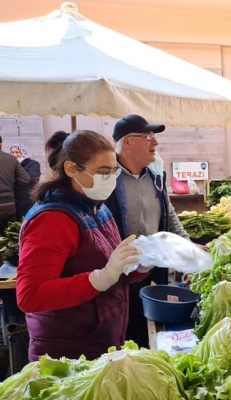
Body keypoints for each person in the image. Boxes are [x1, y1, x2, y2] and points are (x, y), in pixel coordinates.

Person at [16, 130, 146, 361]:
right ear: (71, 169)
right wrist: (101, 277)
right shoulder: (52, 219)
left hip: (103, 338)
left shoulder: (97, 207)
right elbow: (30, 295)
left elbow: (109, 265)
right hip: (67, 352)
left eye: (113, 171)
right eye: (103, 172)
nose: (110, 179)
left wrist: (139, 265)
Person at [105, 114, 189, 348]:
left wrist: (187, 245)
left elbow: (168, 214)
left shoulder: (154, 176)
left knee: (152, 330)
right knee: (127, 335)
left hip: (153, 274)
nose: (155, 142)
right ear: (128, 142)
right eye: (148, 136)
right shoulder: (107, 180)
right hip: (120, 279)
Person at [0, 136, 31, 233]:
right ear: (1, 144)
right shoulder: (11, 159)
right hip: (8, 205)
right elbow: (25, 179)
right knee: (8, 240)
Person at [10, 143, 41, 219]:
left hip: (28, 200)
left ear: (23, 152)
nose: (14, 155)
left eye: (17, 152)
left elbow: (32, 178)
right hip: (15, 201)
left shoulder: (33, 164)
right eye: (12, 153)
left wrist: (17, 166)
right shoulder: (11, 165)